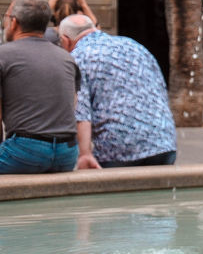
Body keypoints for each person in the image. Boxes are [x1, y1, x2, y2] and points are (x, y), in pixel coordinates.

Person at [57, 14, 176, 168]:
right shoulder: (134, 45)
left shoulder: (78, 57)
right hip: (163, 143)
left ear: (66, 40)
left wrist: (84, 153)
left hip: (118, 150)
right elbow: (160, 90)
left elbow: (81, 112)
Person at [0, 0, 81, 174]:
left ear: (14, 22)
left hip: (23, 151)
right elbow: (72, 106)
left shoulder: (3, 55)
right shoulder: (67, 58)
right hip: (67, 154)